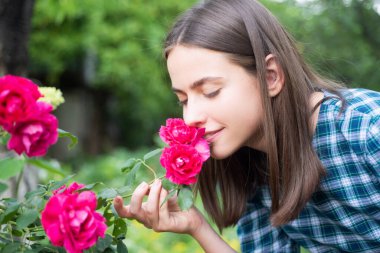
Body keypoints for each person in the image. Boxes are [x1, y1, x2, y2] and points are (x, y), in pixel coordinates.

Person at [113, 0, 380, 252]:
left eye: (210, 91)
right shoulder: (251, 166)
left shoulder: (368, 129)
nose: (190, 117)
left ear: (270, 77)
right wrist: (197, 227)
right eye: (182, 99)